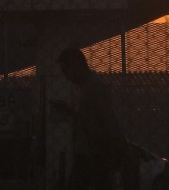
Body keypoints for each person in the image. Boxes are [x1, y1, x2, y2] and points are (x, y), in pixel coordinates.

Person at [54, 46, 129, 190]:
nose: (65, 76)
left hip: (94, 153)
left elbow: (107, 121)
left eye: (66, 70)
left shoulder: (94, 89)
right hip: (91, 152)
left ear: (77, 66)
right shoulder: (87, 89)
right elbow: (92, 119)